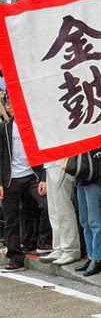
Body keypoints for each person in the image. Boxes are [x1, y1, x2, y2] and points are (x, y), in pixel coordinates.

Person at [0, 106, 51, 272]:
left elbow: (43, 151)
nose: (11, 107)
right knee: (11, 219)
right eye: (9, 105)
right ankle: (15, 257)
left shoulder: (33, 125)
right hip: (11, 178)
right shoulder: (5, 127)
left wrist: (43, 177)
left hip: (32, 175)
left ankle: (43, 242)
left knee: (46, 204)